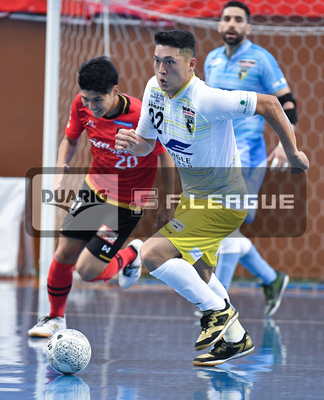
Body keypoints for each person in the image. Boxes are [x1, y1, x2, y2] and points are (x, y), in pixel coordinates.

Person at [115, 30, 308, 366]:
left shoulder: (206, 99)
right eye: (157, 61)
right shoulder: (153, 90)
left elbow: (270, 103)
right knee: (201, 273)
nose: (161, 69)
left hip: (225, 201)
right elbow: (148, 143)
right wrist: (135, 144)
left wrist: (291, 153)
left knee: (152, 254)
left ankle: (217, 312)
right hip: (194, 198)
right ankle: (235, 339)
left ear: (191, 64)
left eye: (170, 62)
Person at [28, 56, 174, 338]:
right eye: (86, 99)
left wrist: (168, 203)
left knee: (87, 271)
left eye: (97, 100)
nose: (91, 106)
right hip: (94, 191)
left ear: (114, 91)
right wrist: (61, 165)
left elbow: (164, 157)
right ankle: (55, 318)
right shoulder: (80, 106)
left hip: (127, 203)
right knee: (64, 253)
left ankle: (131, 254)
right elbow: (70, 139)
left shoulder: (140, 115)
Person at [204, 1, 300, 317]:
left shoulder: (261, 59)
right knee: (224, 225)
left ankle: (219, 303)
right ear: (220, 25)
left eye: (238, 19)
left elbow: (287, 102)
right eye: (226, 18)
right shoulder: (211, 60)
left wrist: (286, 144)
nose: (231, 23)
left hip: (247, 153)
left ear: (248, 27)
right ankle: (271, 279)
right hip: (215, 154)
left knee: (226, 220)